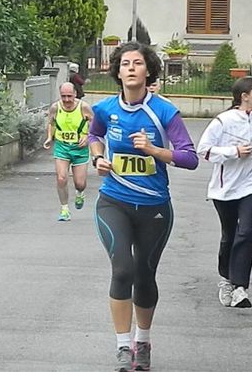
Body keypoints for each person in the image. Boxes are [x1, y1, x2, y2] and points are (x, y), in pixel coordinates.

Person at [88, 41, 198, 372]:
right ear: (117, 72)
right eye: (125, 63)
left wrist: (155, 150)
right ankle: (124, 347)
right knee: (123, 269)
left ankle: (143, 339)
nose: (131, 68)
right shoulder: (106, 108)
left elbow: (190, 158)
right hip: (113, 202)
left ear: (148, 70)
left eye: (137, 63)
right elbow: (95, 135)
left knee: (145, 274)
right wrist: (97, 157)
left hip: (154, 208)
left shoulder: (164, 111)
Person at [197, 77, 252, 309]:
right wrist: (234, 151)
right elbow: (204, 150)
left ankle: (241, 287)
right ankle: (226, 280)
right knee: (229, 235)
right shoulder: (223, 121)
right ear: (245, 96)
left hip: (251, 185)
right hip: (225, 188)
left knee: (248, 231)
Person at [43, 82, 94, 221]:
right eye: (63, 96)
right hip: (62, 147)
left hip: (80, 149)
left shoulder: (83, 107)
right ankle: (64, 209)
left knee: (80, 183)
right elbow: (51, 122)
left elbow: (95, 124)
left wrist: (87, 136)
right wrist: (49, 137)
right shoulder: (55, 107)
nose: (66, 100)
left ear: (75, 94)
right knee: (61, 178)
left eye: (69, 96)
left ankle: (80, 192)